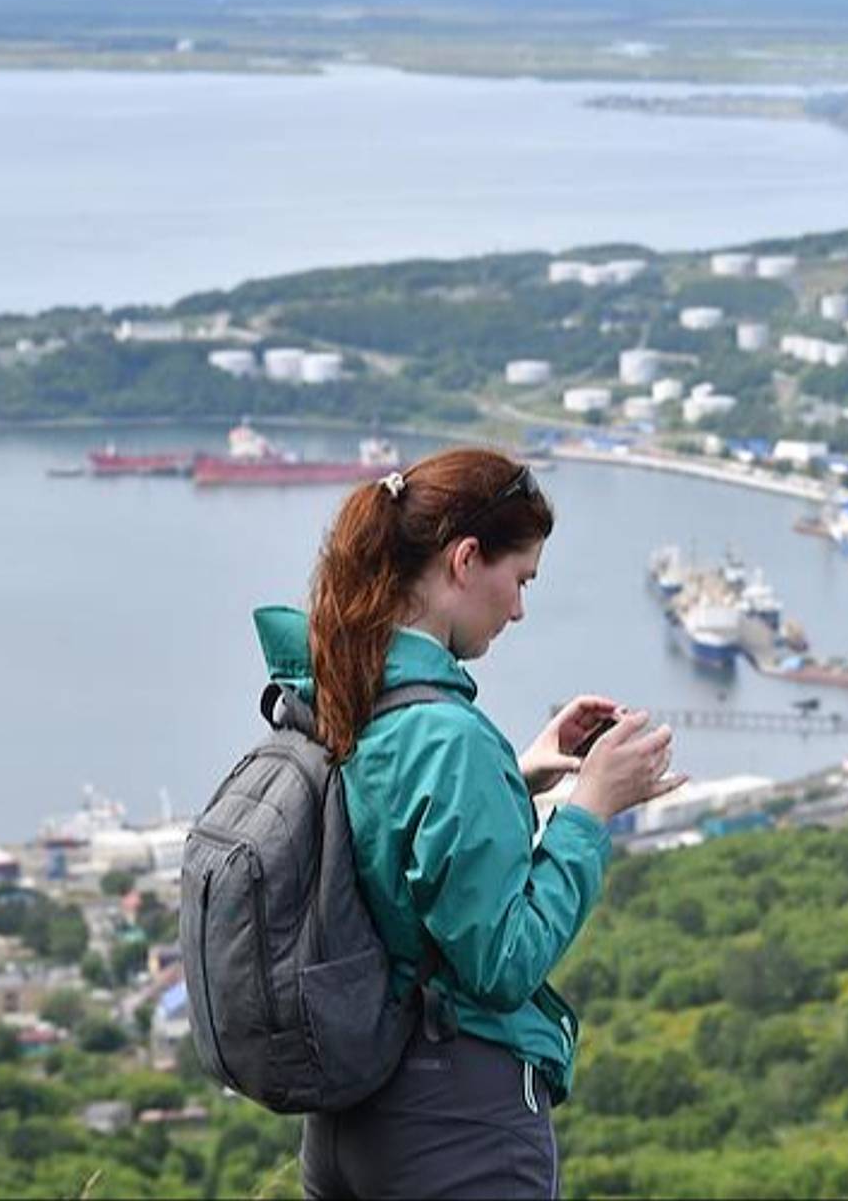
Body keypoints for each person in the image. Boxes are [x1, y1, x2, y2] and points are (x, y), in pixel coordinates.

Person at [251, 446, 684, 1200]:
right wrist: (590, 810)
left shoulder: (340, 684)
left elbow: (382, 849)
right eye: (518, 580)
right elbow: (503, 963)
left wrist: (515, 778)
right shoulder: (446, 734)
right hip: (454, 1120)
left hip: (350, 1119)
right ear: (465, 559)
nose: (519, 609)